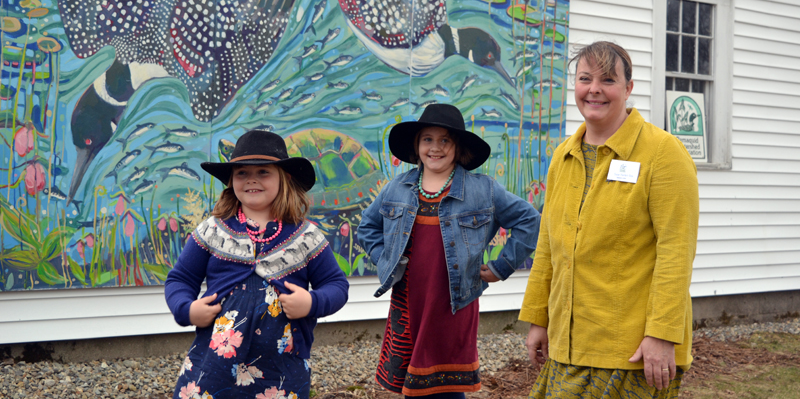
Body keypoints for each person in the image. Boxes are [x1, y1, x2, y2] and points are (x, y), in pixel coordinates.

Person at [520, 41, 699, 398]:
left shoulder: (663, 154)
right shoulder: (563, 156)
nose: (594, 89)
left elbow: (676, 251)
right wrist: (539, 317)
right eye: (585, 79)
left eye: (608, 80)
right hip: (567, 344)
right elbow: (547, 245)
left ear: (628, 88)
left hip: (630, 351)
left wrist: (662, 334)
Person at [358, 103, 541, 398]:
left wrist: (501, 267)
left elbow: (529, 221)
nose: (436, 148)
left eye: (445, 140)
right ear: (417, 145)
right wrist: (386, 262)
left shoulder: (483, 190)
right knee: (412, 387)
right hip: (408, 302)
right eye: (427, 139)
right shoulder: (397, 188)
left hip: (454, 304)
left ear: (458, 147)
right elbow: (367, 227)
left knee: (449, 385)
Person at [165, 130, 349, 399]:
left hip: (282, 369)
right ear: (231, 180)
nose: (251, 179)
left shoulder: (306, 236)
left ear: (284, 178)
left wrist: (311, 303)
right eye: (241, 173)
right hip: (215, 364)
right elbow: (180, 279)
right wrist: (187, 309)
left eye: (264, 171)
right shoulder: (212, 231)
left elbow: (336, 285)